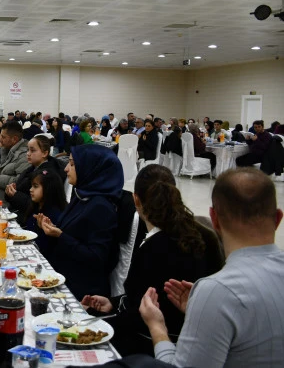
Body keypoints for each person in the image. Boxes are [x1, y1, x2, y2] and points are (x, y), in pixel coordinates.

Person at [139, 168, 284, 367]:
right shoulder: (215, 294)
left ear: (214, 219)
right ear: (278, 218)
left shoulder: (217, 291)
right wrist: (201, 311)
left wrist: (157, 328)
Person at [82, 165, 223, 356]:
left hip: (154, 343)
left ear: (136, 200)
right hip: (199, 341)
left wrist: (95, 319)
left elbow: (140, 313)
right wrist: (114, 303)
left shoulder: (153, 246)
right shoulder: (206, 235)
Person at [36, 144, 122, 299]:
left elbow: (96, 258)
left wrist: (60, 235)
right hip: (63, 273)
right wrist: (51, 229)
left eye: (72, 164)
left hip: (82, 291)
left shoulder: (101, 207)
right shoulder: (82, 196)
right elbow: (73, 235)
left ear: (91, 168)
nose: (66, 169)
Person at [5, 135, 65, 223]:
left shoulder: (48, 175)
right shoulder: (31, 169)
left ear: (45, 153)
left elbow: (40, 205)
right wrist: (10, 192)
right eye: (28, 150)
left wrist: (15, 195)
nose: (28, 153)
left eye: (32, 150)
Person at [0, 121, 29, 204]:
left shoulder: (25, 156)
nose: (0, 139)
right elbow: (4, 173)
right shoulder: (7, 150)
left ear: (14, 139)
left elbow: (20, 182)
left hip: (10, 207)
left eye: (3, 137)